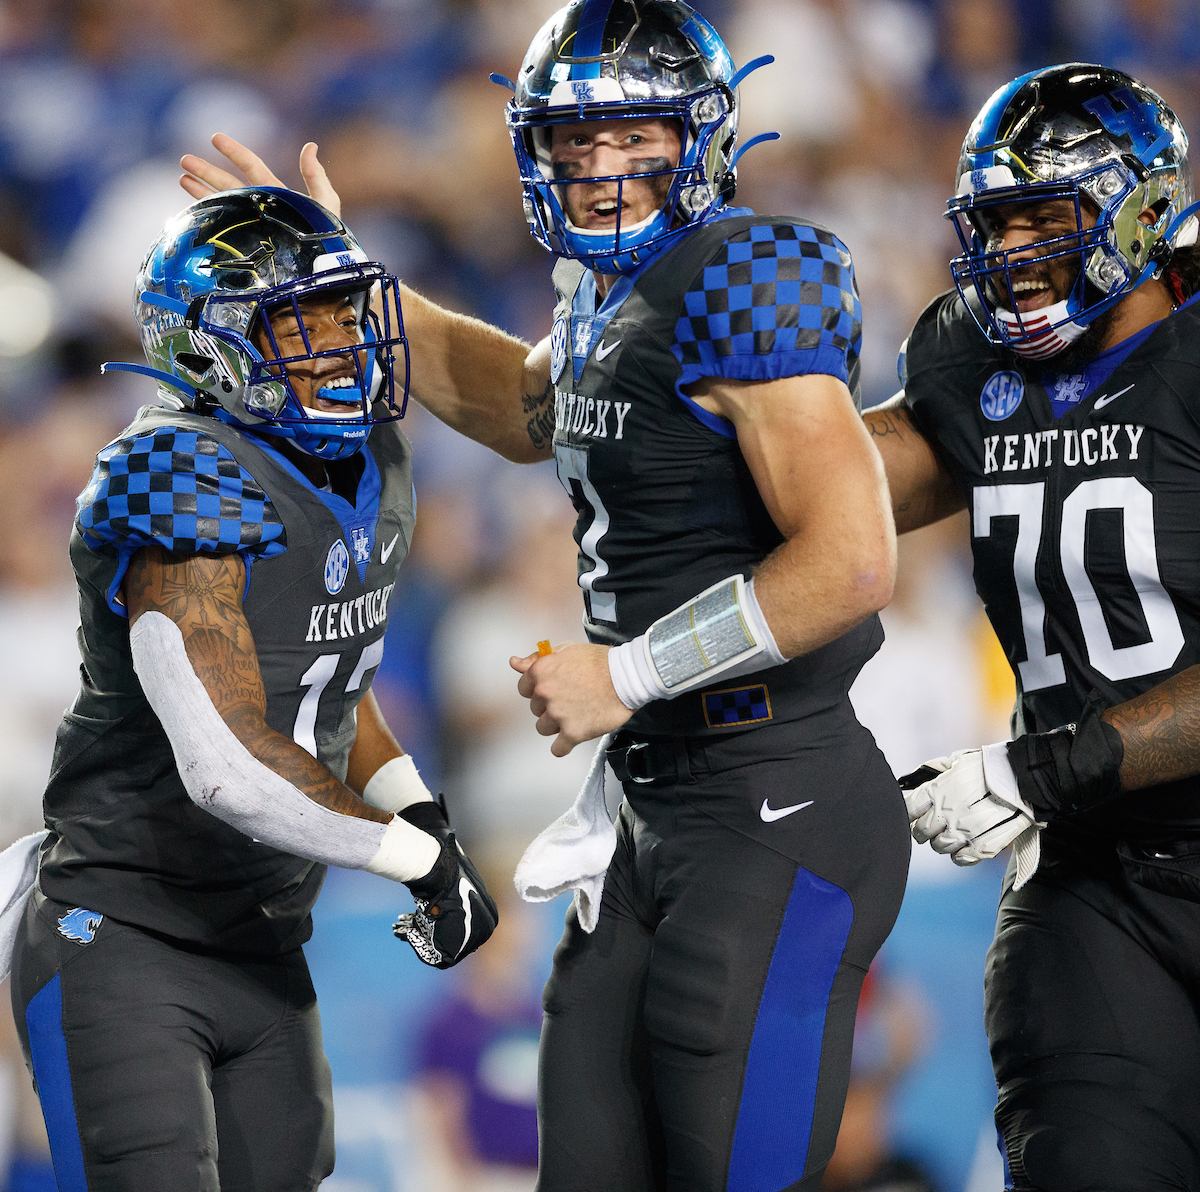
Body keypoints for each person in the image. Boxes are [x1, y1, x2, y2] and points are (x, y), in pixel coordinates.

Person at [179, 3, 910, 1188]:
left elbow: (853, 561)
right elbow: (524, 407)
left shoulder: (745, 273)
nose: (597, 168)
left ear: (704, 136)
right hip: (658, 801)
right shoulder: (603, 302)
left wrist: (624, 673)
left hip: (779, 794)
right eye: (572, 140)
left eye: (631, 137)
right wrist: (345, 284)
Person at [8, 186, 498, 1191]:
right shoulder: (176, 470)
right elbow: (226, 761)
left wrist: (423, 811)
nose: (332, 343)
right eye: (291, 322)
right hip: (123, 926)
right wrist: (415, 858)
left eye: (337, 312)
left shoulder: (371, 461)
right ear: (207, 348)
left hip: (260, 932)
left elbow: (330, 684)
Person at [863, 65, 1200, 1190]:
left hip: (1069, 788)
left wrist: (1047, 766)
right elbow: (828, 495)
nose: (1011, 249)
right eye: (995, 221)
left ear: (1140, 208)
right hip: (1093, 889)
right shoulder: (973, 366)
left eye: (1042, 216)